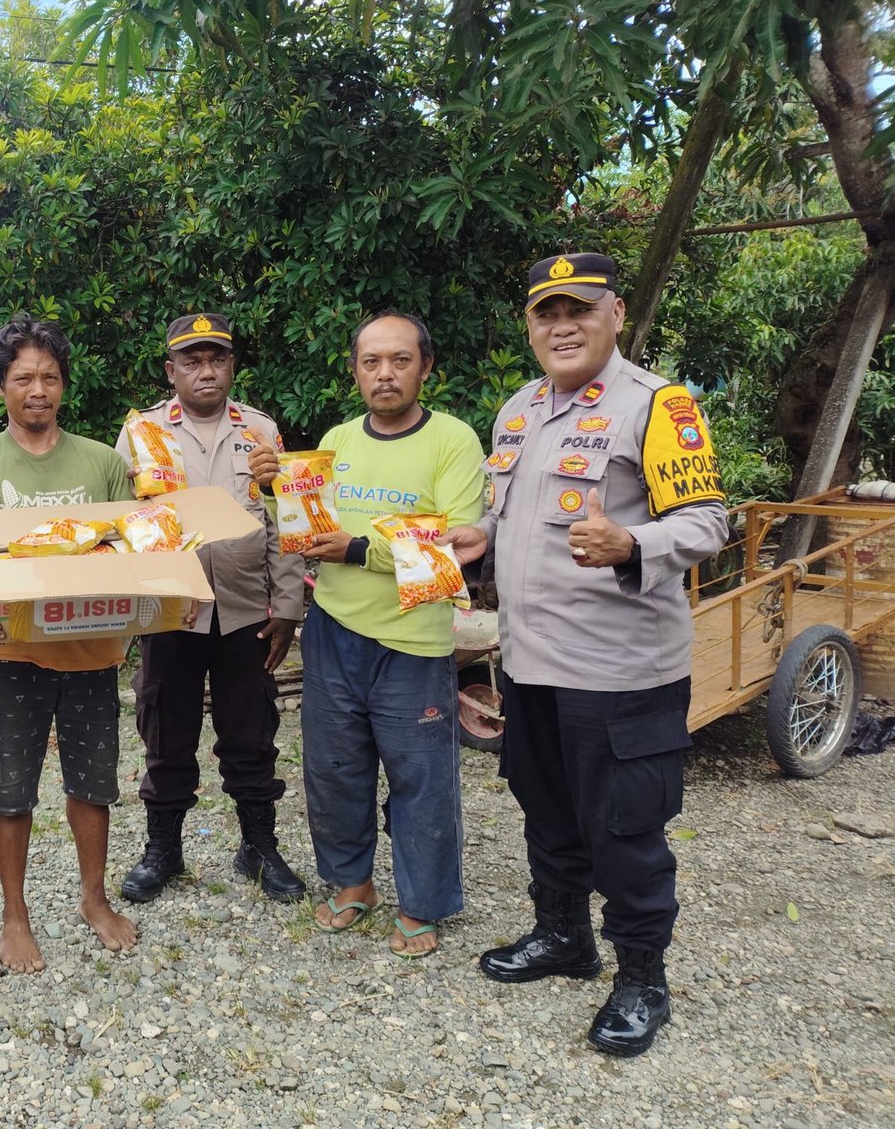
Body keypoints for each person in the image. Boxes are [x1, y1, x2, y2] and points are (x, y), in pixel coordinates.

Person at [444, 253, 728, 1056]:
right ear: (531, 327)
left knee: (626, 826)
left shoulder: (657, 406)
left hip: (620, 673)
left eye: (579, 309)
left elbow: (710, 521)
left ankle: (643, 978)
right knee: (547, 806)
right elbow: (516, 523)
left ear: (616, 314)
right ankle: (563, 936)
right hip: (530, 665)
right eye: (546, 313)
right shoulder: (520, 410)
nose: (561, 326)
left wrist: (633, 540)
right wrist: (479, 540)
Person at [250, 311, 484, 957]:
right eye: (371, 362)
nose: (385, 373)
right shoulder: (338, 439)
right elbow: (306, 529)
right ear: (355, 370)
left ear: (425, 368)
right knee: (335, 767)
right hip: (334, 629)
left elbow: (452, 547)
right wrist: (274, 489)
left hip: (413, 642)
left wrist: (358, 549)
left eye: (400, 360)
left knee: (422, 776)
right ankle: (351, 883)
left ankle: (423, 902)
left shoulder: (454, 442)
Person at [0, 314, 138, 973]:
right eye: (23, 377)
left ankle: (93, 898)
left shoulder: (104, 463)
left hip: (91, 651)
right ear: (1, 387)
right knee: (12, 787)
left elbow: (134, 547)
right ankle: (14, 915)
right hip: (12, 654)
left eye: (50, 376)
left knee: (94, 783)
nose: (38, 389)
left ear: (64, 386)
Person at [115, 311, 308, 904]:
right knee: (166, 732)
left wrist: (288, 605)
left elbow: (282, 522)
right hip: (172, 613)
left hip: (248, 611)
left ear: (232, 366)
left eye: (217, 359)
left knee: (252, 732)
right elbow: (121, 527)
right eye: (192, 361)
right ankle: (164, 851)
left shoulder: (261, 431)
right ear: (170, 370)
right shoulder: (140, 435)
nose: (206, 371)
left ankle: (259, 847)